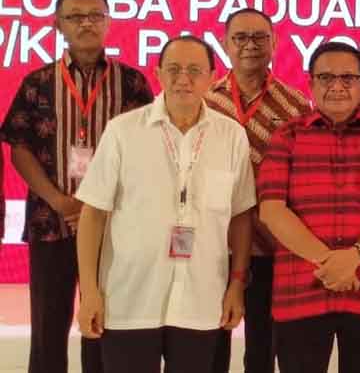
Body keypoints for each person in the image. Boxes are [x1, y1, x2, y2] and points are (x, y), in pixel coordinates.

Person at [75, 35, 256, 373]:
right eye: (173, 69)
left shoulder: (231, 136)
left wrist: (236, 284)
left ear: (213, 77)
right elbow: (93, 214)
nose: (183, 79)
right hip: (129, 299)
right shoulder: (123, 131)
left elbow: (242, 216)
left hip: (202, 300)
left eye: (194, 70)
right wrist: (89, 291)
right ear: (158, 74)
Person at [0, 0, 153, 373]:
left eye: (95, 15)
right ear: (58, 25)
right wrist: (60, 200)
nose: (87, 24)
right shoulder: (37, 82)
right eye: (75, 17)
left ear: (108, 21)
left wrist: (98, 205)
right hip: (51, 220)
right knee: (47, 330)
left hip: (114, 225)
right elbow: (19, 148)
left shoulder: (132, 83)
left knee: (103, 326)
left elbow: (148, 152)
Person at [257, 42, 360, 373]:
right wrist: (331, 264)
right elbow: (272, 210)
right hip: (301, 291)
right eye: (326, 77)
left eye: (348, 78)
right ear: (310, 83)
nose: (337, 86)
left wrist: (354, 258)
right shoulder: (287, 136)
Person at [205, 8, 312, 373]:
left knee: (263, 347)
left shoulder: (295, 104)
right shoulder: (205, 100)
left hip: (272, 244)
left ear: (274, 43)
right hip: (215, 242)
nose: (250, 45)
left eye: (259, 37)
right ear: (224, 44)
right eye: (240, 38)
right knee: (210, 342)